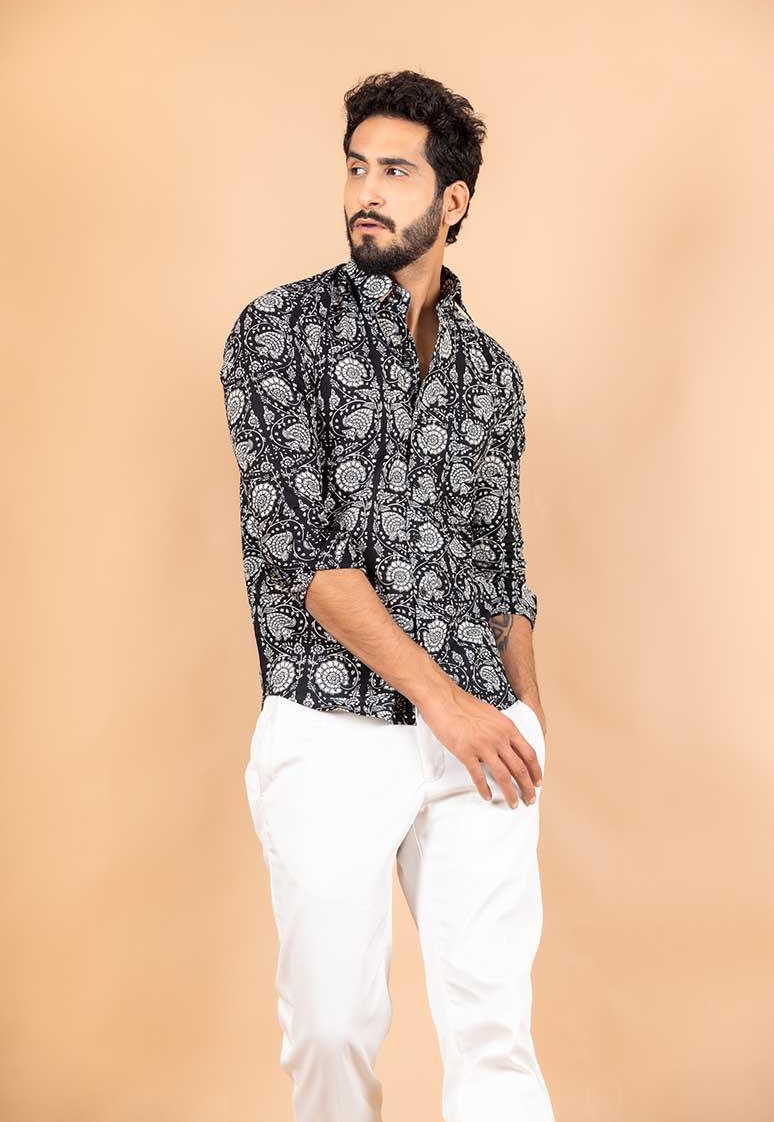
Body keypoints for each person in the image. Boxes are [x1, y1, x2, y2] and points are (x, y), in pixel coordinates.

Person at [219, 69, 555, 1122]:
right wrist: (448, 704)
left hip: (480, 741)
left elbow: (502, 567)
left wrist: (525, 718)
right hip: (331, 725)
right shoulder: (278, 332)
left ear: (452, 200)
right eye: (356, 167)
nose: (366, 190)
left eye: (396, 171)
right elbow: (310, 562)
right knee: (332, 1027)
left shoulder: (493, 374)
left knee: (494, 1028)